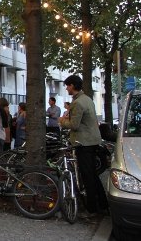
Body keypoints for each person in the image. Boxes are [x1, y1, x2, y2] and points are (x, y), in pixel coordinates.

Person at [59, 75, 108, 218]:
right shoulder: (87, 99)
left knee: (87, 176)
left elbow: (74, 125)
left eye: (67, 85)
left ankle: (91, 209)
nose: (66, 88)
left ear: (73, 86)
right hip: (92, 141)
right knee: (93, 175)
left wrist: (62, 121)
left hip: (83, 143)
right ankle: (103, 205)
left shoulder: (77, 103)